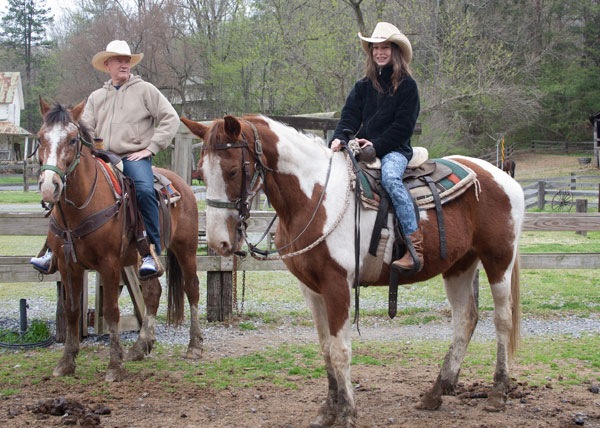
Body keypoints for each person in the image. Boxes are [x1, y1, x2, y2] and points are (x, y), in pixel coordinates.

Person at [31, 40, 180, 279]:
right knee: (67, 187)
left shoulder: (146, 90)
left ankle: (149, 252)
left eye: (127, 60)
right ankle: (51, 248)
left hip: (133, 157)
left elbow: (170, 118)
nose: (124, 64)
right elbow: (85, 126)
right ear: (107, 65)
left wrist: (151, 148)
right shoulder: (97, 96)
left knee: (143, 190)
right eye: (118, 60)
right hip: (101, 155)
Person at [330, 22, 423, 272]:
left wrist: (376, 144)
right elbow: (349, 118)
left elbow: (403, 126)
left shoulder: (407, 86)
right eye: (376, 48)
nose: (380, 53)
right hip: (363, 148)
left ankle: (414, 247)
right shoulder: (363, 86)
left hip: (395, 149)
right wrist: (339, 139)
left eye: (385, 47)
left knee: (391, 179)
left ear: (395, 51)